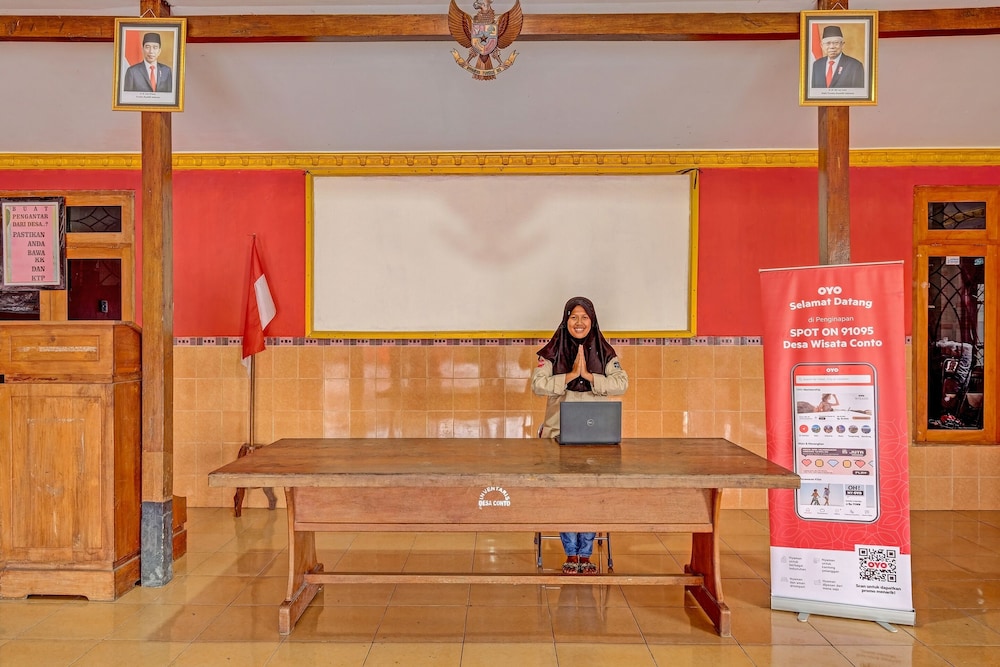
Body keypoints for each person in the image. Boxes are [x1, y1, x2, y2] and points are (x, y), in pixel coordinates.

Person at [531, 296, 628, 575]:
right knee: (566, 494)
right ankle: (570, 553)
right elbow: (537, 385)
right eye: (573, 316)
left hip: (595, 437)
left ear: (592, 320)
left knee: (590, 494)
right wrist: (571, 375)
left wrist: (590, 376)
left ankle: (585, 554)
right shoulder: (552, 351)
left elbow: (621, 383)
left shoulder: (605, 352)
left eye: (584, 317)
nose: (579, 322)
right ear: (566, 320)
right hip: (558, 436)